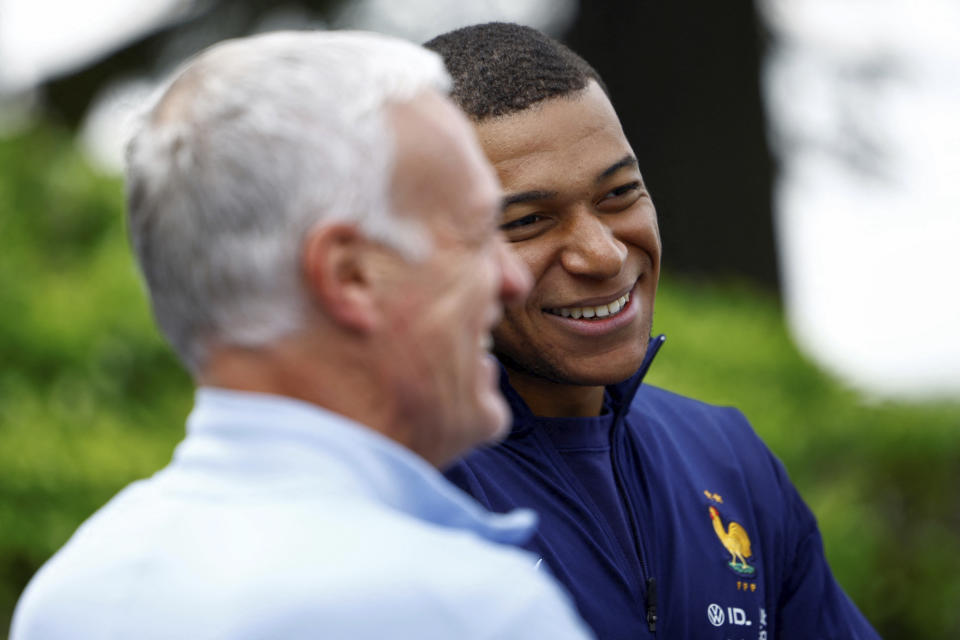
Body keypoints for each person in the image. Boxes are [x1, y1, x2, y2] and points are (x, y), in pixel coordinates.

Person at [10, 30, 595, 640]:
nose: (510, 280)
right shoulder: (471, 607)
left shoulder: (75, 591)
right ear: (350, 276)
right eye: (476, 233)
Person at [425, 22, 880, 640]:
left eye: (619, 194)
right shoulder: (408, 482)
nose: (604, 253)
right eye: (530, 220)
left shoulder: (728, 458)